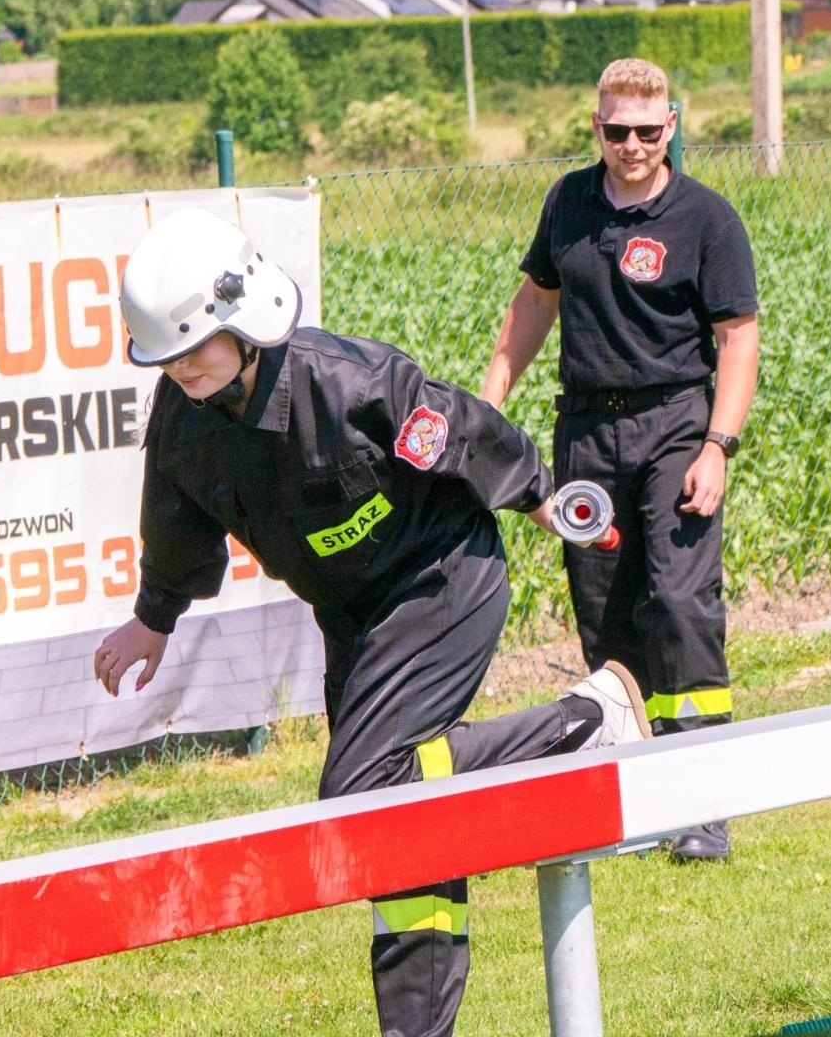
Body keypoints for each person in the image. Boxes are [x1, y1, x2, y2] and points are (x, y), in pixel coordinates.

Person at [94, 207, 651, 1037]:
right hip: (352, 615)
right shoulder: (183, 422)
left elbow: (460, 430)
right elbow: (174, 521)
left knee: (359, 790)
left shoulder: (346, 381)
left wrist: (541, 498)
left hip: (440, 580)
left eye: (193, 348)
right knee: (396, 833)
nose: (179, 369)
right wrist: (153, 619)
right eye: (165, 357)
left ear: (243, 322)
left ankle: (583, 723)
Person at [480, 57, 760, 863]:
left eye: (646, 131)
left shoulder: (706, 219)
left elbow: (738, 338)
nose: (631, 145)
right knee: (603, 609)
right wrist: (489, 401)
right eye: (616, 131)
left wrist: (717, 446)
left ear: (670, 126)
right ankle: (636, 798)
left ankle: (704, 804)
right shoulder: (569, 202)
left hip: (675, 428)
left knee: (678, 603)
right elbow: (536, 300)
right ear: (596, 127)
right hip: (585, 436)